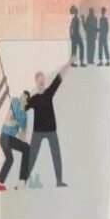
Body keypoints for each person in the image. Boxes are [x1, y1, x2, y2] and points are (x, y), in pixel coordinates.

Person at [26, 57, 74, 187]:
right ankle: (23, 180)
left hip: (51, 131)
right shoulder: (34, 99)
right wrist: (16, 106)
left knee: (56, 155)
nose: (41, 81)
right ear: (36, 82)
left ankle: (59, 181)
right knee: (32, 156)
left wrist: (69, 63)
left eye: (43, 79)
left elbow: (59, 77)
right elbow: (22, 108)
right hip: (38, 132)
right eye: (39, 79)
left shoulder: (49, 92)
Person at [0, 91, 31, 189]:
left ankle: (22, 180)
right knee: (10, 159)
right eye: (22, 94)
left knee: (26, 148)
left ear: (26, 102)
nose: (21, 96)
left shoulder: (24, 115)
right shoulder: (15, 102)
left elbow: (23, 133)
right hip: (4, 136)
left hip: (11, 139)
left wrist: (23, 138)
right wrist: (15, 122)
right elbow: (7, 121)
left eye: (24, 96)